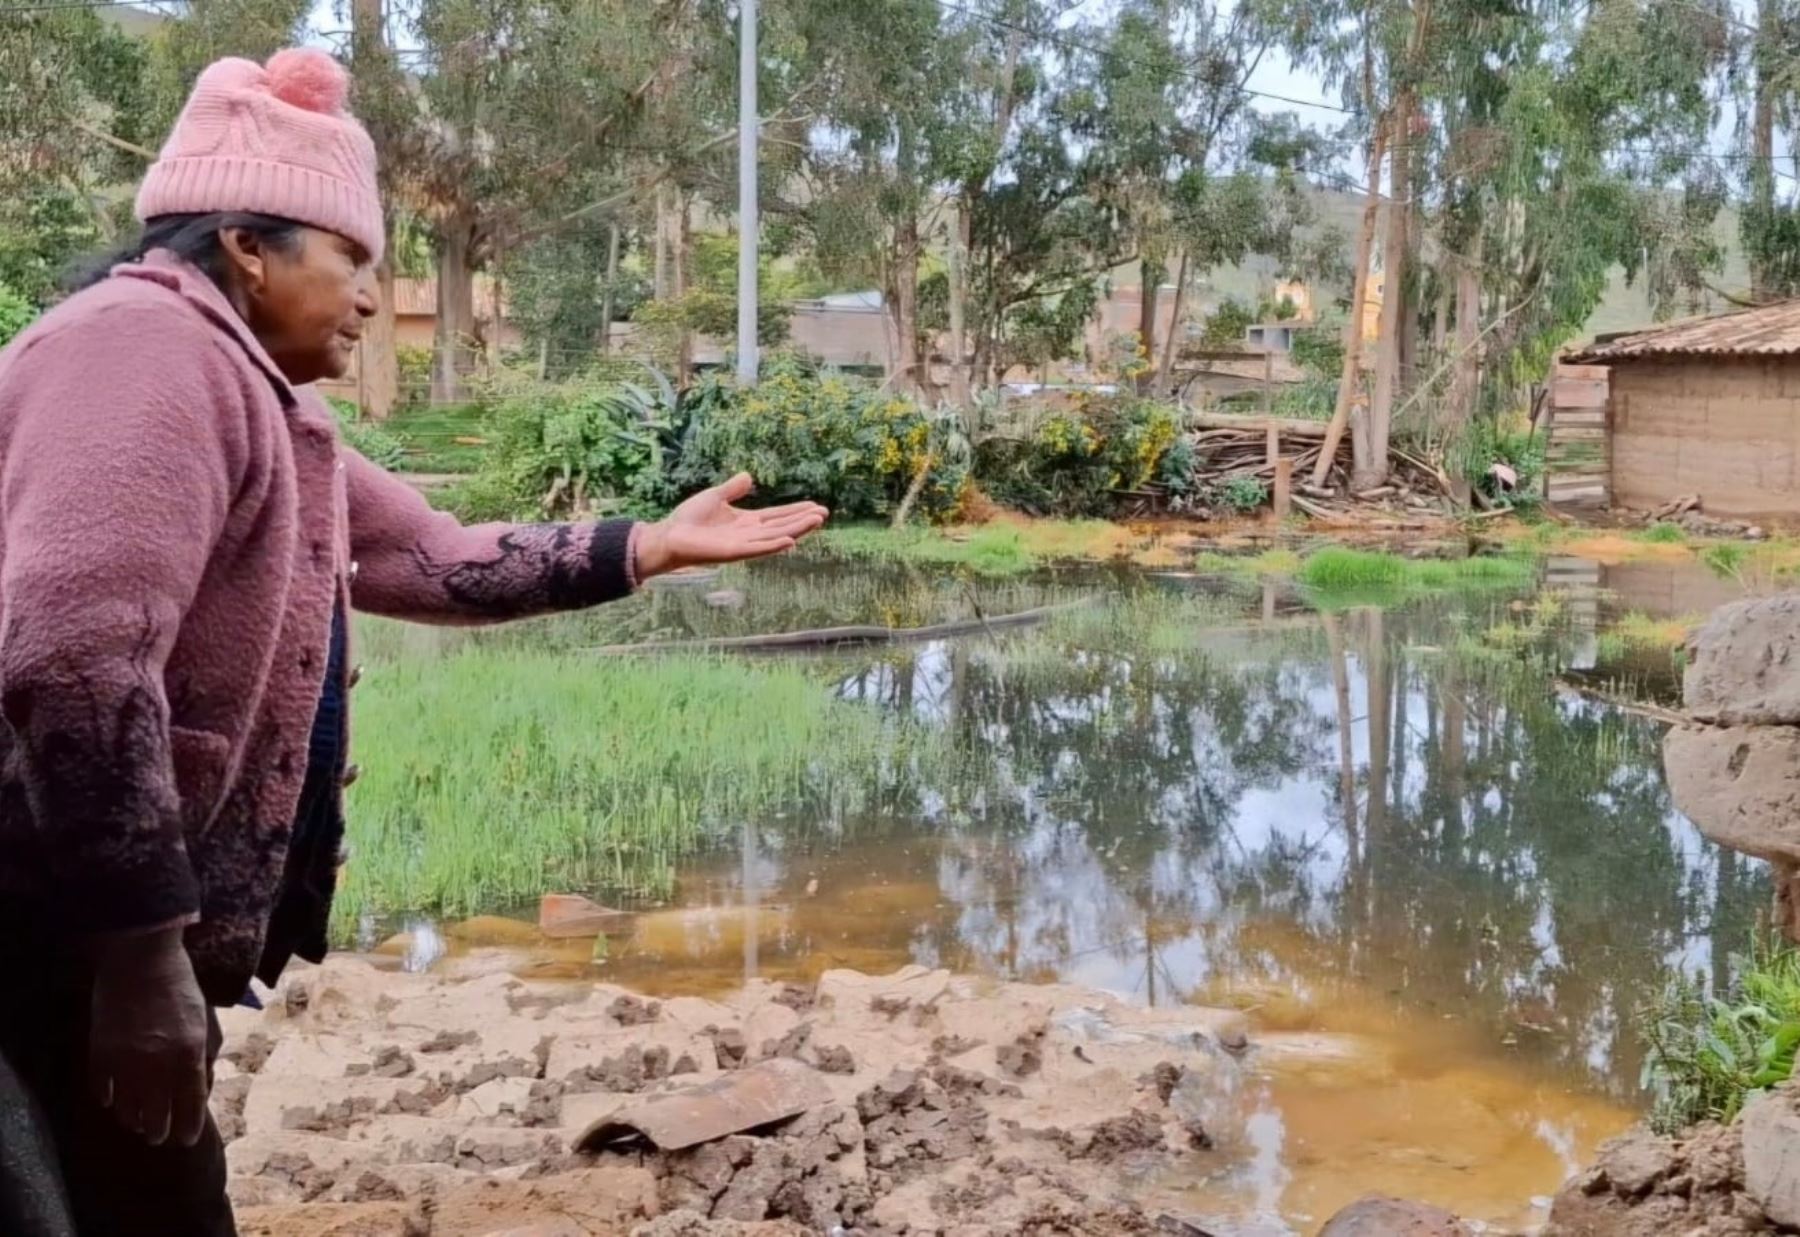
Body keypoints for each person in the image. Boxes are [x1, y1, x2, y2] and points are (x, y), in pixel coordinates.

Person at [0, 47, 826, 1236]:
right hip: (41, 923)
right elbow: (75, 662)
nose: (373, 297)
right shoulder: (141, 351)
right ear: (248, 245)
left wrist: (647, 543)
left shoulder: (267, 402)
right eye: (351, 259)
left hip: (68, 929)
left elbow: (426, 556)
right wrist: (141, 961)